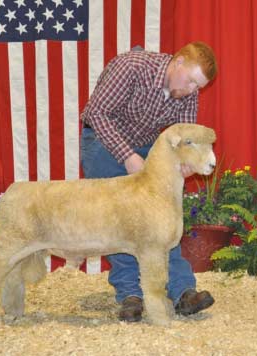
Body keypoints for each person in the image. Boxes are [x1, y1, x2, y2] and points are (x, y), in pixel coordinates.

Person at [80, 41, 217, 322]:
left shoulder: (187, 93)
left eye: (198, 87)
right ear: (177, 62)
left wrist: (186, 164)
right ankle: (131, 295)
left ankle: (182, 292)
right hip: (104, 141)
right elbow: (97, 113)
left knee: (163, 218)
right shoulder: (132, 67)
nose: (192, 90)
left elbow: (185, 137)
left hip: (144, 147)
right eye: (191, 81)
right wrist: (127, 157)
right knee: (120, 220)